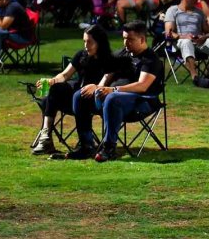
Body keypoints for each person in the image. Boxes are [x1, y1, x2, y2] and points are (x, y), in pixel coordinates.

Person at [70, 21, 165, 162]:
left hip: (141, 102)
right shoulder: (122, 54)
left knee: (113, 98)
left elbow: (142, 86)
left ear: (142, 39)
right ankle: (86, 144)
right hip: (112, 99)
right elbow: (108, 74)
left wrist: (113, 89)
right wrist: (98, 88)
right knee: (80, 95)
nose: (126, 43)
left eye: (130, 40)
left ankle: (109, 148)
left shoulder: (150, 60)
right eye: (124, 38)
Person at [31, 25, 117, 155]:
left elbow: (103, 84)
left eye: (89, 42)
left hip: (95, 100)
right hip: (76, 97)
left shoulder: (109, 60)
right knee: (53, 90)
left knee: (52, 99)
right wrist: (51, 81)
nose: (86, 45)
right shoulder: (81, 55)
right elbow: (65, 75)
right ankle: (46, 136)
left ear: (100, 42)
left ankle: (81, 144)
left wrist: (95, 88)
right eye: (84, 41)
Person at [164, 0, 209, 83]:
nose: (196, 0)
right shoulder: (173, 10)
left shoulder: (199, 12)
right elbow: (169, 33)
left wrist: (203, 37)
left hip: (198, 42)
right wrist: (184, 36)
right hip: (180, 42)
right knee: (186, 42)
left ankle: (208, 76)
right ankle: (195, 77)